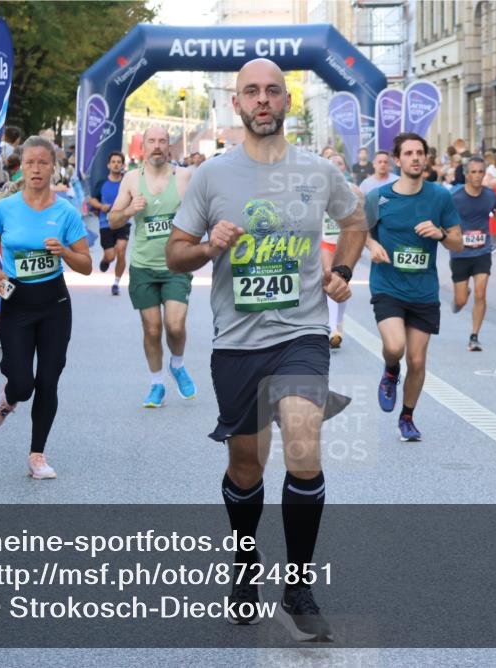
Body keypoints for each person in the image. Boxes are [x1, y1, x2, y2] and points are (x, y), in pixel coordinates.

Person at [166, 58, 366, 641]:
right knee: (246, 465)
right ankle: (245, 565)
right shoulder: (211, 177)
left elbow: (355, 221)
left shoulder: (317, 171)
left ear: (286, 102)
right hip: (237, 342)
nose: (262, 100)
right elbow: (175, 254)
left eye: (273, 91)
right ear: (236, 103)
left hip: (302, 335)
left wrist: (341, 270)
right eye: (251, 91)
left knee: (303, 441)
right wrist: (207, 247)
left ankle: (298, 588)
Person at [0, 136, 92, 479]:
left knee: (47, 381)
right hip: (17, 303)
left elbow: (86, 265)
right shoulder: (5, 209)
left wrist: (65, 252)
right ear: (21, 167)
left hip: (54, 304)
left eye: (43, 162)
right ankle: (9, 396)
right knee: (22, 384)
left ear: (53, 167)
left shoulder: (66, 212)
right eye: (30, 162)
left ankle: (37, 455)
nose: (36, 169)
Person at [365, 132, 463, 441]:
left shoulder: (440, 197)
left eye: (420, 152)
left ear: (426, 157)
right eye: (408, 153)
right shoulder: (378, 197)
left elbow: (457, 242)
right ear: (397, 160)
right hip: (388, 286)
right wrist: (372, 245)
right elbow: (360, 231)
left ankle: (407, 417)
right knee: (395, 347)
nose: (416, 158)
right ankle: (390, 368)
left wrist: (440, 234)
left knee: (418, 360)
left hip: (423, 290)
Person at [107, 127, 196, 407]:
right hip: (143, 267)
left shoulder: (184, 177)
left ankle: (177, 365)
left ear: (169, 146)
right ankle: (157, 384)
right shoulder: (132, 179)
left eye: (162, 141)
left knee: (175, 326)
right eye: (151, 141)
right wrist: (130, 210)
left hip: (176, 264)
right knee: (153, 329)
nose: (157, 146)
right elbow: (112, 220)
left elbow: (204, 213)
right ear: (143, 146)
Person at [450, 156, 496, 351]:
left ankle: (474, 336)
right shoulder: (455, 196)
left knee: (481, 293)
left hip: (482, 251)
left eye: (481, 172)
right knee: (460, 301)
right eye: (473, 172)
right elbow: (442, 216)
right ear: (466, 174)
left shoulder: (490, 195)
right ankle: (461, 297)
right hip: (460, 253)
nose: (477, 176)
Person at [323, 154, 364, 349]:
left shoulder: (354, 190)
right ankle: (332, 329)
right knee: (329, 280)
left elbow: (361, 222)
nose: (335, 166)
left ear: (344, 167)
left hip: (345, 244)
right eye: (331, 163)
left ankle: (338, 321)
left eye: (339, 163)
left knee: (341, 282)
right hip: (325, 243)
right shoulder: (318, 189)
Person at [89, 151, 128, 295]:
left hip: (123, 222)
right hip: (106, 223)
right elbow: (92, 199)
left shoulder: (126, 182)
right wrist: (101, 206)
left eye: (119, 162)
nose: (116, 164)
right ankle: (106, 259)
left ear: (122, 165)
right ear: (108, 165)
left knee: (121, 250)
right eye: (113, 162)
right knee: (111, 256)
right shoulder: (102, 182)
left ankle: (116, 283)